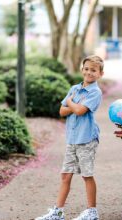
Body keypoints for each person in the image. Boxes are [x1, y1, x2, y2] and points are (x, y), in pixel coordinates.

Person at [35, 55, 104, 220]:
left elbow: (80, 111)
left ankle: (92, 212)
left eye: (93, 70)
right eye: (86, 69)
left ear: (100, 73)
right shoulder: (74, 88)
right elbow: (61, 111)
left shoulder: (95, 92)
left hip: (86, 139)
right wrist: (73, 105)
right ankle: (58, 212)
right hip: (72, 139)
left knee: (87, 175)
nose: (89, 73)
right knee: (65, 175)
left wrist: (71, 104)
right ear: (82, 70)